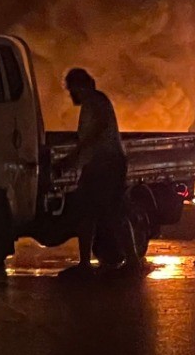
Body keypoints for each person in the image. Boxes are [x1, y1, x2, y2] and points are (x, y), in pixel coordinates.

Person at [59, 67, 139, 279]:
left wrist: (74, 157)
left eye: (71, 89)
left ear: (79, 86)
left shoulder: (96, 102)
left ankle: (129, 261)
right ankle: (92, 262)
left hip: (107, 164)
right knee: (90, 213)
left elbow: (97, 133)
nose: (70, 94)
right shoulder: (92, 104)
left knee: (110, 212)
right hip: (99, 164)